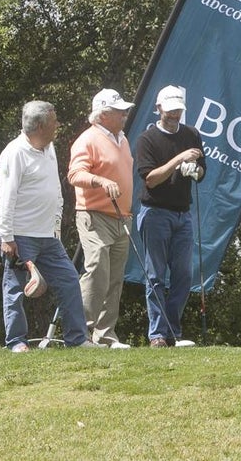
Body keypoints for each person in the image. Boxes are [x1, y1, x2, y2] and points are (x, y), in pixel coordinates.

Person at [0, 100, 100, 351]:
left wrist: (55, 228)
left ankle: (77, 339)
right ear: (41, 125)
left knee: (68, 280)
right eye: (54, 121)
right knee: (15, 290)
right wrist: (6, 236)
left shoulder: (49, 147)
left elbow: (53, 188)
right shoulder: (15, 152)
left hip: (48, 237)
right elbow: (6, 196)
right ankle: (16, 343)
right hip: (21, 236)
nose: (58, 125)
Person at [134, 85, 206, 347]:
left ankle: (173, 332)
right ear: (159, 108)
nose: (175, 113)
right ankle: (157, 334)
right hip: (155, 213)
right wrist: (178, 160)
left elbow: (201, 172)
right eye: (170, 109)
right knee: (155, 276)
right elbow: (150, 179)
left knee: (184, 275)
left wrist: (193, 170)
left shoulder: (192, 135)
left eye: (178, 109)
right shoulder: (147, 139)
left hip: (182, 215)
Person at [67, 89, 136, 349]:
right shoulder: (88, 140)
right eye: (120, 112)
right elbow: (75, 175)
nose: (125, 115)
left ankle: (106, 335)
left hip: (121, 216)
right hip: (94, 215)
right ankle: (81, 334)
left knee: (115, 276)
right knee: (97, 270)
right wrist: (100, 181)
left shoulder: (123, 139)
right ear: (104, 115)